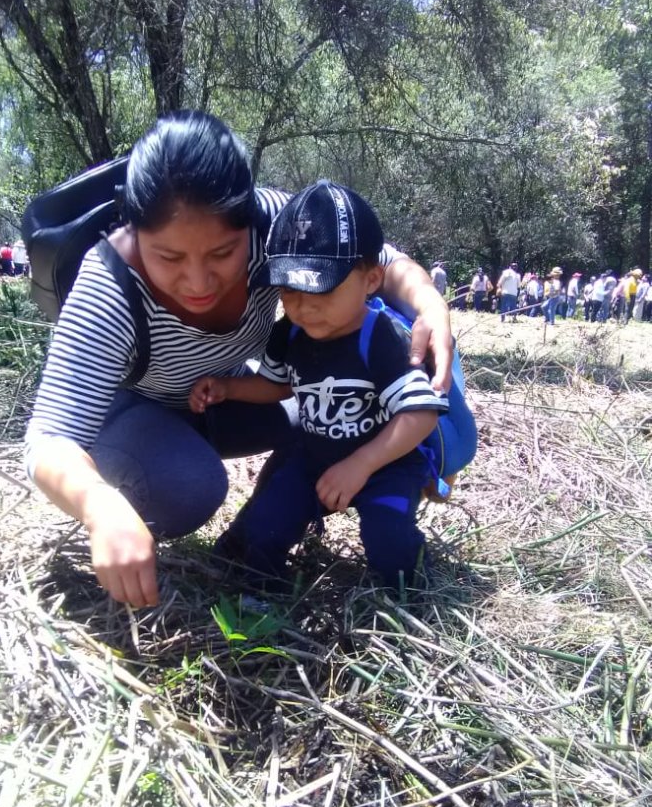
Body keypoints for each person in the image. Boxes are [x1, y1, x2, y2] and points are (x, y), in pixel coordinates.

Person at [25, 111, 453, 608]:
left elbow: (379, 261)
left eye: (223, 253)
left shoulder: (273, 222)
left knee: (327, 411)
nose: (199, 281)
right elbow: (48, 441)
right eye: (169, 258)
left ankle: (275, 518)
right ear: (135, 230)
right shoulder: (108, 287)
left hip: (225, 397)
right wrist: (100, 507)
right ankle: (156, 479)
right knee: (190, 489)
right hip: (145, 410)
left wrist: (430, 304)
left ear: (249, 221)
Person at [189, 181, 449, 589]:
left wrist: (361, 464)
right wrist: (228, 388)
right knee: (264, 529)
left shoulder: (380, 338)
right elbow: (277, 386)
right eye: (289, 290)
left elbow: (421, 414)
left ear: (370, 279)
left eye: (322, 287)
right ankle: (262, 592)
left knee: (389, 541)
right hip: (315, 456)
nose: (304, 305)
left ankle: (409, 590)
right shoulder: (291, 332)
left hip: (387, 464)